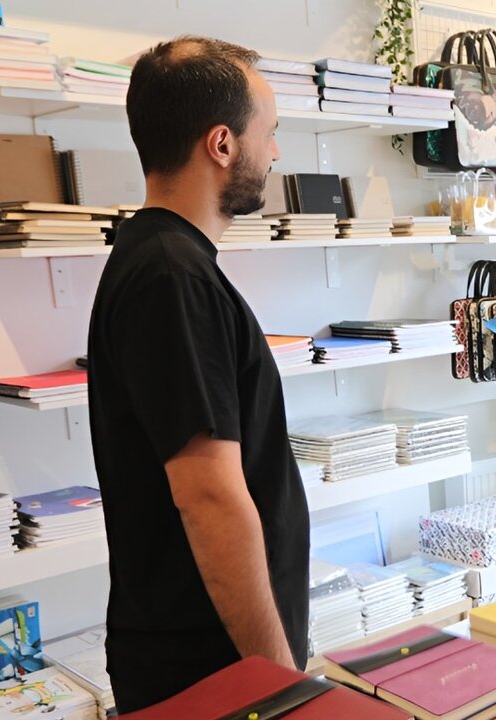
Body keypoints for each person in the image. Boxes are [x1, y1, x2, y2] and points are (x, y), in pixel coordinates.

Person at [87, 36, 308, 712]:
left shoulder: (164, 260)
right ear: (222, 144)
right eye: (269, 133)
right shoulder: (172, 277)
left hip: (211, 661)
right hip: (211, 671)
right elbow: (208, 496)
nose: (275, 152)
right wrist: (282, 684)